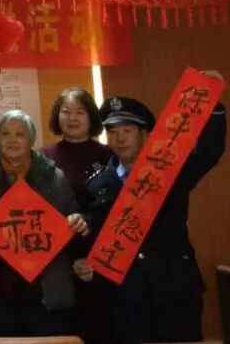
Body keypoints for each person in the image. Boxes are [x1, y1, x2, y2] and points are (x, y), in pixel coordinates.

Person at [76, 77, 226, 344]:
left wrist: (213, 107)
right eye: (113, 132)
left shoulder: (169, 171)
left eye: (127, 130)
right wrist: (83, 260)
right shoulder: (97, 183)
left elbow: (209, 152)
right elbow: (93, 230)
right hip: (124, 296)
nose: (120, 138)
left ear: (144, 134)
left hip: (174, 288)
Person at [0, 110, 89, 337]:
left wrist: (76, 221)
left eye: (19, 134)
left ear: (31, 140)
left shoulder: (53, 176)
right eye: (5, 134)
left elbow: (73, 217)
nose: (11, 140)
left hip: (44, 288)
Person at [39, 87, 114, 343]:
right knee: (61, 331)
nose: (72, 118)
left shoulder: (108, 156)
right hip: (56, 255)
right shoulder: (43, 157)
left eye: (80, 112)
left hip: (99, 253)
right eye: (66, 111)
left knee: (98, 326)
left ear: (91, 117)